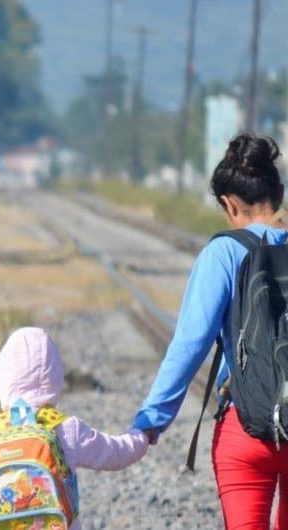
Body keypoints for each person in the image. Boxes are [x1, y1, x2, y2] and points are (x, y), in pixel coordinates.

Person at [134, 133, 288, 528]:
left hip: (245, 427)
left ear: (229, 203)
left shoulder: (222, 253)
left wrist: (152, 420)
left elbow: (191, 344)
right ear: (279, 193)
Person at [0, 327, 148, 530]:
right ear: (55, 376)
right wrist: (141, 436)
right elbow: (115, 453)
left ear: (3, 377)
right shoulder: (66, 428)